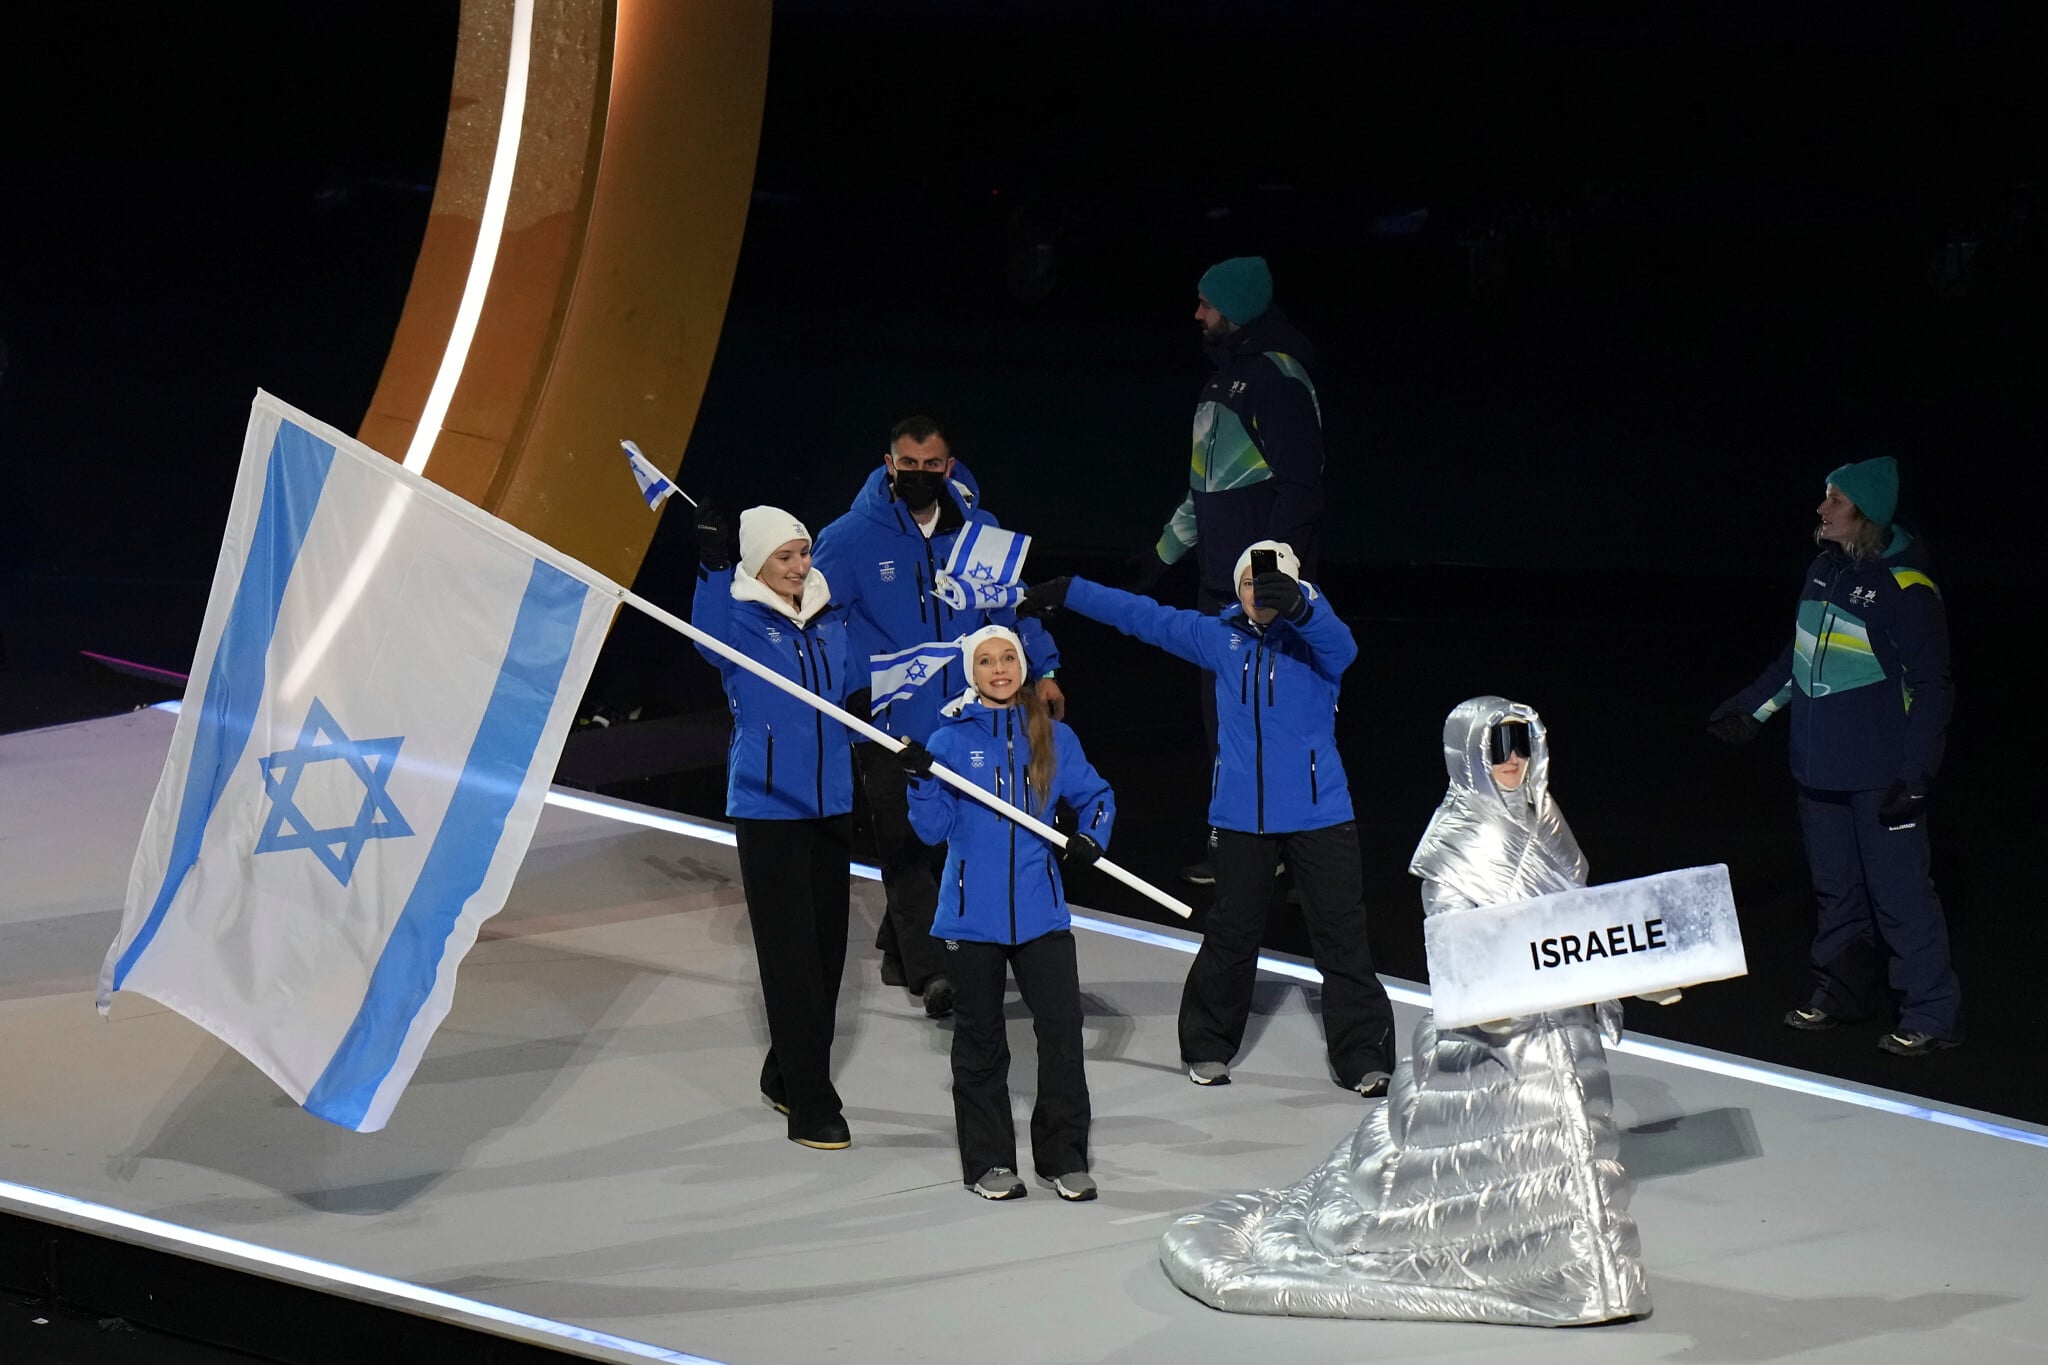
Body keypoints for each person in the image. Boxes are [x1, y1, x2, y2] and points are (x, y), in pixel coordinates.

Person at [1157, 698, 1650, 1326]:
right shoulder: (1458, 835)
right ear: (1469, 753)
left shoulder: (1546, 819)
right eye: (1498, 748)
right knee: (1501, 1150)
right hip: (1499, 1022)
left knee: (1567, 1140)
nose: (1513, 761)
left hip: (1558, 1015)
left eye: (1522, 745)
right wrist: (1507, 991)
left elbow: (1577, 915)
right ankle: (1552, 1275)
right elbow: (1452, 932)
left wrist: (1625, 968)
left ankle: (1589, 1276)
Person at [1020, 540, 1395, 1094]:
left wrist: (1300, 606)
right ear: (1237, 589)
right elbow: (1142, 617)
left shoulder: (1318, 642)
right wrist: (1071, 591)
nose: (1257, 594)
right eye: (1248, 584)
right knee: (1232, 933)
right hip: (1241, 817)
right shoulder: (1220, 639)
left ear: (1294, 588)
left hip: (1321, 814)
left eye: (1270, 586)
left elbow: (1345, 646)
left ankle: (1362, 1055)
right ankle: (1207, 1044)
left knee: (1341, 934)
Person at [812, 416, 1063, 1021]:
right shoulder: (848, 539)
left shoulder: (981, 533)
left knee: (950, 836)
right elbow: (823, 621)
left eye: (933, 466)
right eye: (909, 465)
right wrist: (850, 686)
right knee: (902, 836)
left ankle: (904, 945)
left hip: (969, 715)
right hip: (887, 715)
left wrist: (1045, 668)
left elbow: (1012, 605)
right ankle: (934, 973)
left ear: (949, 468)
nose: (921, 476)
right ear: (889, 463)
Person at [1709, 456, 1960, 1055]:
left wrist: (1917, 773)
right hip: (1818, 772)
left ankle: (1931, 1014)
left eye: (1836, 501)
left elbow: (1932, 687)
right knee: (1835, 892)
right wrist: (1750, 709)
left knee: (1900, 897)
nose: (1822, 509)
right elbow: (1796, 663)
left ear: (1865, 515)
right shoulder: (1822, 571)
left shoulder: (1908, 590)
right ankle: (1841, 996)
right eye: (1825, 497)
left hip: (1882, 778)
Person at [1129, 257, 1328, 885]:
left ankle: (1301, 866)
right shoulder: (1220, 386)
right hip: (1219, 592)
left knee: (1279, 728)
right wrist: (1158, 560)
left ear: (1235, 308)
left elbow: (1299, 492)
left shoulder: (1281, 381)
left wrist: (1270, 581)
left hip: (1262, 598)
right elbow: (1203, 492)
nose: (1197, 314)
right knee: (1232, 734)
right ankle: (1245, 858)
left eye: (1206, 303)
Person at [901, 624, 1114, 1202]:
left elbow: (1097, 797)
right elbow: (931, 831)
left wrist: (1092, 836)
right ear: (971, 672)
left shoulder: (1052, 736)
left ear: (1022, 665)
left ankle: (1062, 1156)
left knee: (1063, 1034)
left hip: (1042, 913)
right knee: (980, 1039)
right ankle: (989, 1162)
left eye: (1009, 658)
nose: (1000, 670)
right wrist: (920, 783)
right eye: (987, 661)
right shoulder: (947, 741)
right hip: (972, 918)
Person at [690, 504, 857, 1150]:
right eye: (784, 556)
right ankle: (812, 1102)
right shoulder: (736, 617)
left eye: (803, 552)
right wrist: (708, 568)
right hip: (767, 807)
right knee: (790, 961)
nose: (798, 566)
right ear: (757, 562)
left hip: (831, 801)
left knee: (828, 953)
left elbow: (857, 680)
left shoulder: (826, 615)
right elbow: (703, 641)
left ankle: (786, 1070)